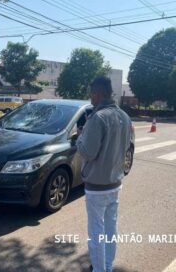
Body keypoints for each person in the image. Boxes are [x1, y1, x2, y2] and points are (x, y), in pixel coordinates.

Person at [76, 76, 132, 272]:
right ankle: (107, 266)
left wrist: (80, 137)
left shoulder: (98, 118)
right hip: (115, 184)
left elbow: (88, 152)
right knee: (110, 229)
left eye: (91, 94)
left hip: (96, 187)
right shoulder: (124, 117)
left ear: (97, 94)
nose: (90, 98)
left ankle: (99, 270)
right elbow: (126, 147)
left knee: (96, 234)